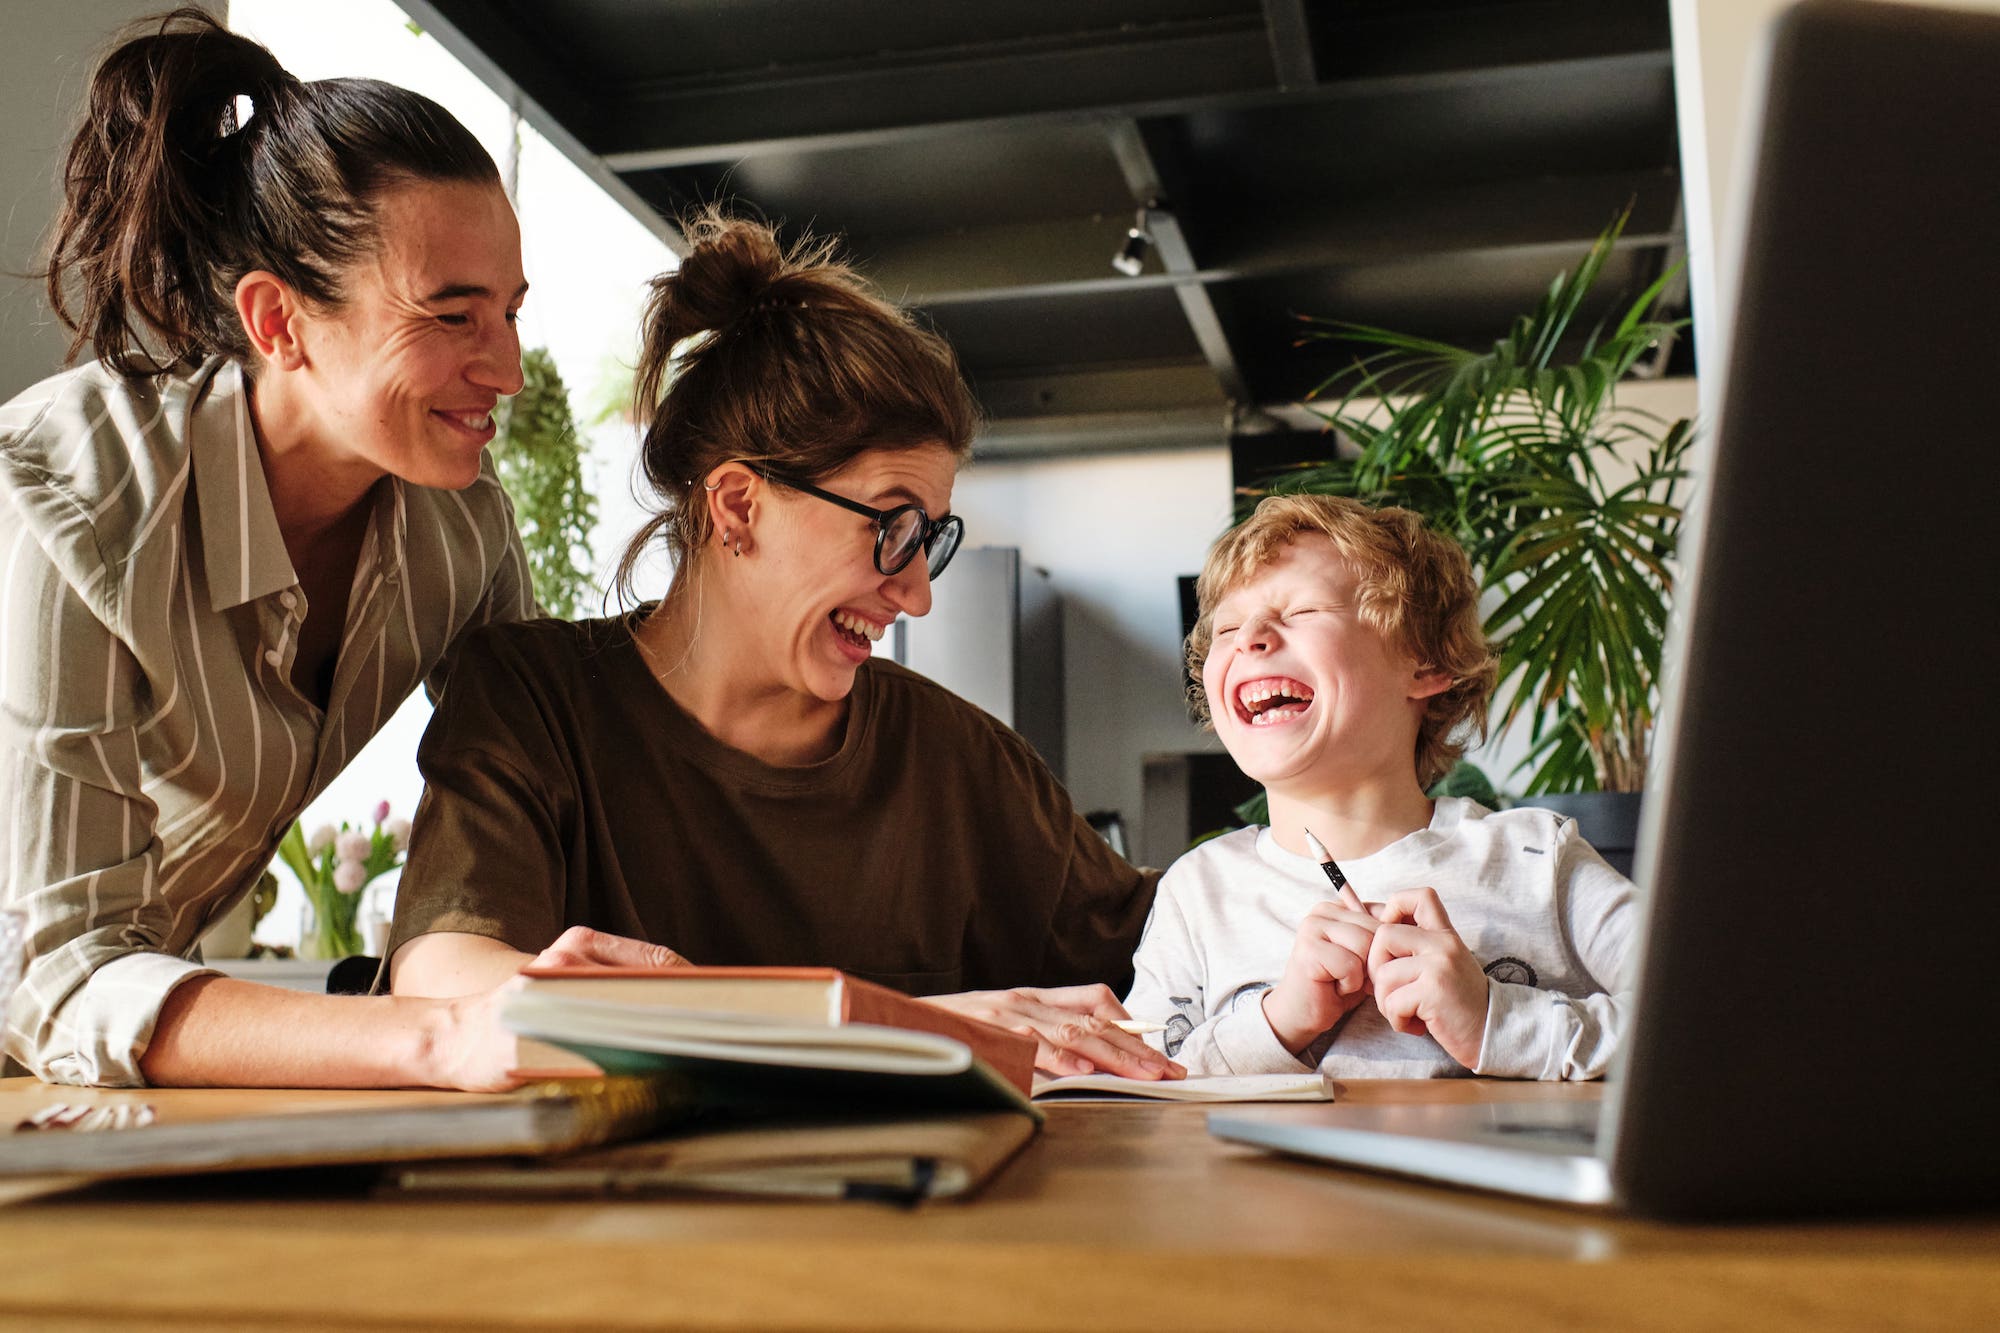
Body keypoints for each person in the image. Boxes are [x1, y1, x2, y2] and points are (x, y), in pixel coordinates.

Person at [0, 8, 664, 1091]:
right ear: (278, 322)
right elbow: (51, 972)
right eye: (452, 317)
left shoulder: (462, 531)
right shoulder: (66, 499)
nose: (506, 371)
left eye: (509, 312)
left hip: (77, 1079)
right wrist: (444, 1036)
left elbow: (556, 799)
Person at [386, 213, 1178, 1080]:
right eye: (893, 528)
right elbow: (446, 983)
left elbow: (1181, 949)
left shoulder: (960, 763)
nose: (915, 591)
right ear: (737, 506)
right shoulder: (529, 701)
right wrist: (910, 1024)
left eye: (931, 540)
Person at [1124, 495, 1633, 1079]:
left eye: (1302, 612)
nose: (1250, 638)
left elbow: (1716, 1018)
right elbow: (1141, 1087)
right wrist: (1278, 1022)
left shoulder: (1535, 858)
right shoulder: (1198, 892)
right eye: (1227, 627)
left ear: (1426, 664)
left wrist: (1494, 1018)